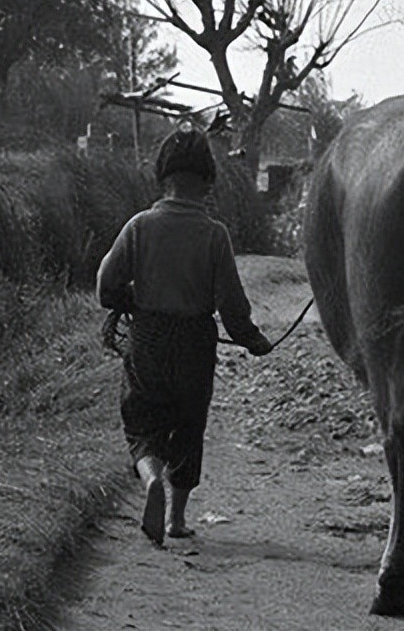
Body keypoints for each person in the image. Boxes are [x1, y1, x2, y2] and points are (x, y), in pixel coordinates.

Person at [97, 122, 274, 547]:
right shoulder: (214, 235)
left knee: (143, 420)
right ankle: (176, 518)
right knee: (189, 426)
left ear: (163, 177)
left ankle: (151, 478)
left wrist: (128, 301)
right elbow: (231, 304)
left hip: (149, 338)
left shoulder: (140, 226)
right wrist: (252, 338)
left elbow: (106, 285)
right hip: (196, 341)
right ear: (209, 183)